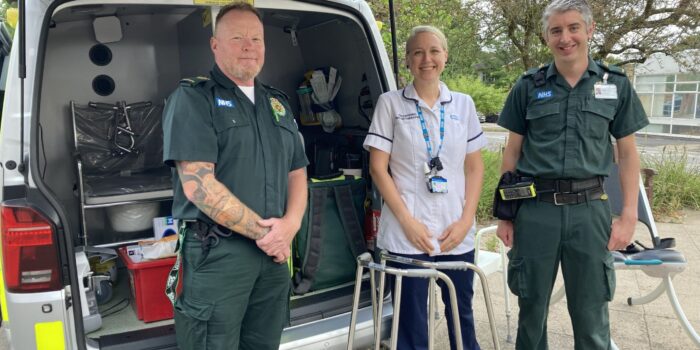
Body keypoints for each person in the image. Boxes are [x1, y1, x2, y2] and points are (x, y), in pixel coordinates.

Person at [495, 0, 649, 349]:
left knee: (592, 315)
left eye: (573, 28)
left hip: (590, 212)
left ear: (589, 30)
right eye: (556, 30)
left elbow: (627, 153)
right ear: (547, 37)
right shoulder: (528, 86)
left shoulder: (616, 85)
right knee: (531, 310)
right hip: (536, 213)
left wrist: (628, 216)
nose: (565, 38)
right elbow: (512, 152)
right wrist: (505, 215)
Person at [161, 3, 308, 350]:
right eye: (238, 38)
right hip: (219, 254)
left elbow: (298, 170)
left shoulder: (278, 103)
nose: (248, 46)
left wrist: (291, 225)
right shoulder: (194, 98)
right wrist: (267, 234)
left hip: (273, 258)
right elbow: (200, 187)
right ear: (215, 45)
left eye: (256, 39)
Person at [363, 25, 486, 350]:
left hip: (454, 234)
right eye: (417, 52)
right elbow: (378, 167)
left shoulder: (463, 105)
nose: (426, 59)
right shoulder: (390, 104)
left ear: (445, 56)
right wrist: (407, 222)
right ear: (407, 60)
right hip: (406, 235)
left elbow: (474, 167)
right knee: (410, 324)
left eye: (433, 51)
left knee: (462, 318)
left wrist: (465, 221)